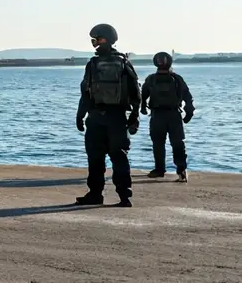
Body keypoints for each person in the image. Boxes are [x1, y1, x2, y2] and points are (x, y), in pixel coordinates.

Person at [74, 24, 140, 207]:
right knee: (108, 157)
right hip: (109, 117)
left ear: (106, 39)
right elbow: (136, 92)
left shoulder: (101, 64)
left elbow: (86, 93)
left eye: (97, 39)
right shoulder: (118, 63)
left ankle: (107, 195)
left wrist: (80, 116)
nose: (94, 43)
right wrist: (135, 116)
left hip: (105, 117)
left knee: (105, 158)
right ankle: (113, 196)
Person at [141, 51, 194, 183]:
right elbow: (188, 97)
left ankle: (159, 169)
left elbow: (143, 96)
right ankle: (181, 170)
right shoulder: (177, 79)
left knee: (158, 143)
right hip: (173, 115)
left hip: (157, 115)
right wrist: (189, 113)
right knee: (177, 143)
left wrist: (142, 108)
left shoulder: (151, 79)